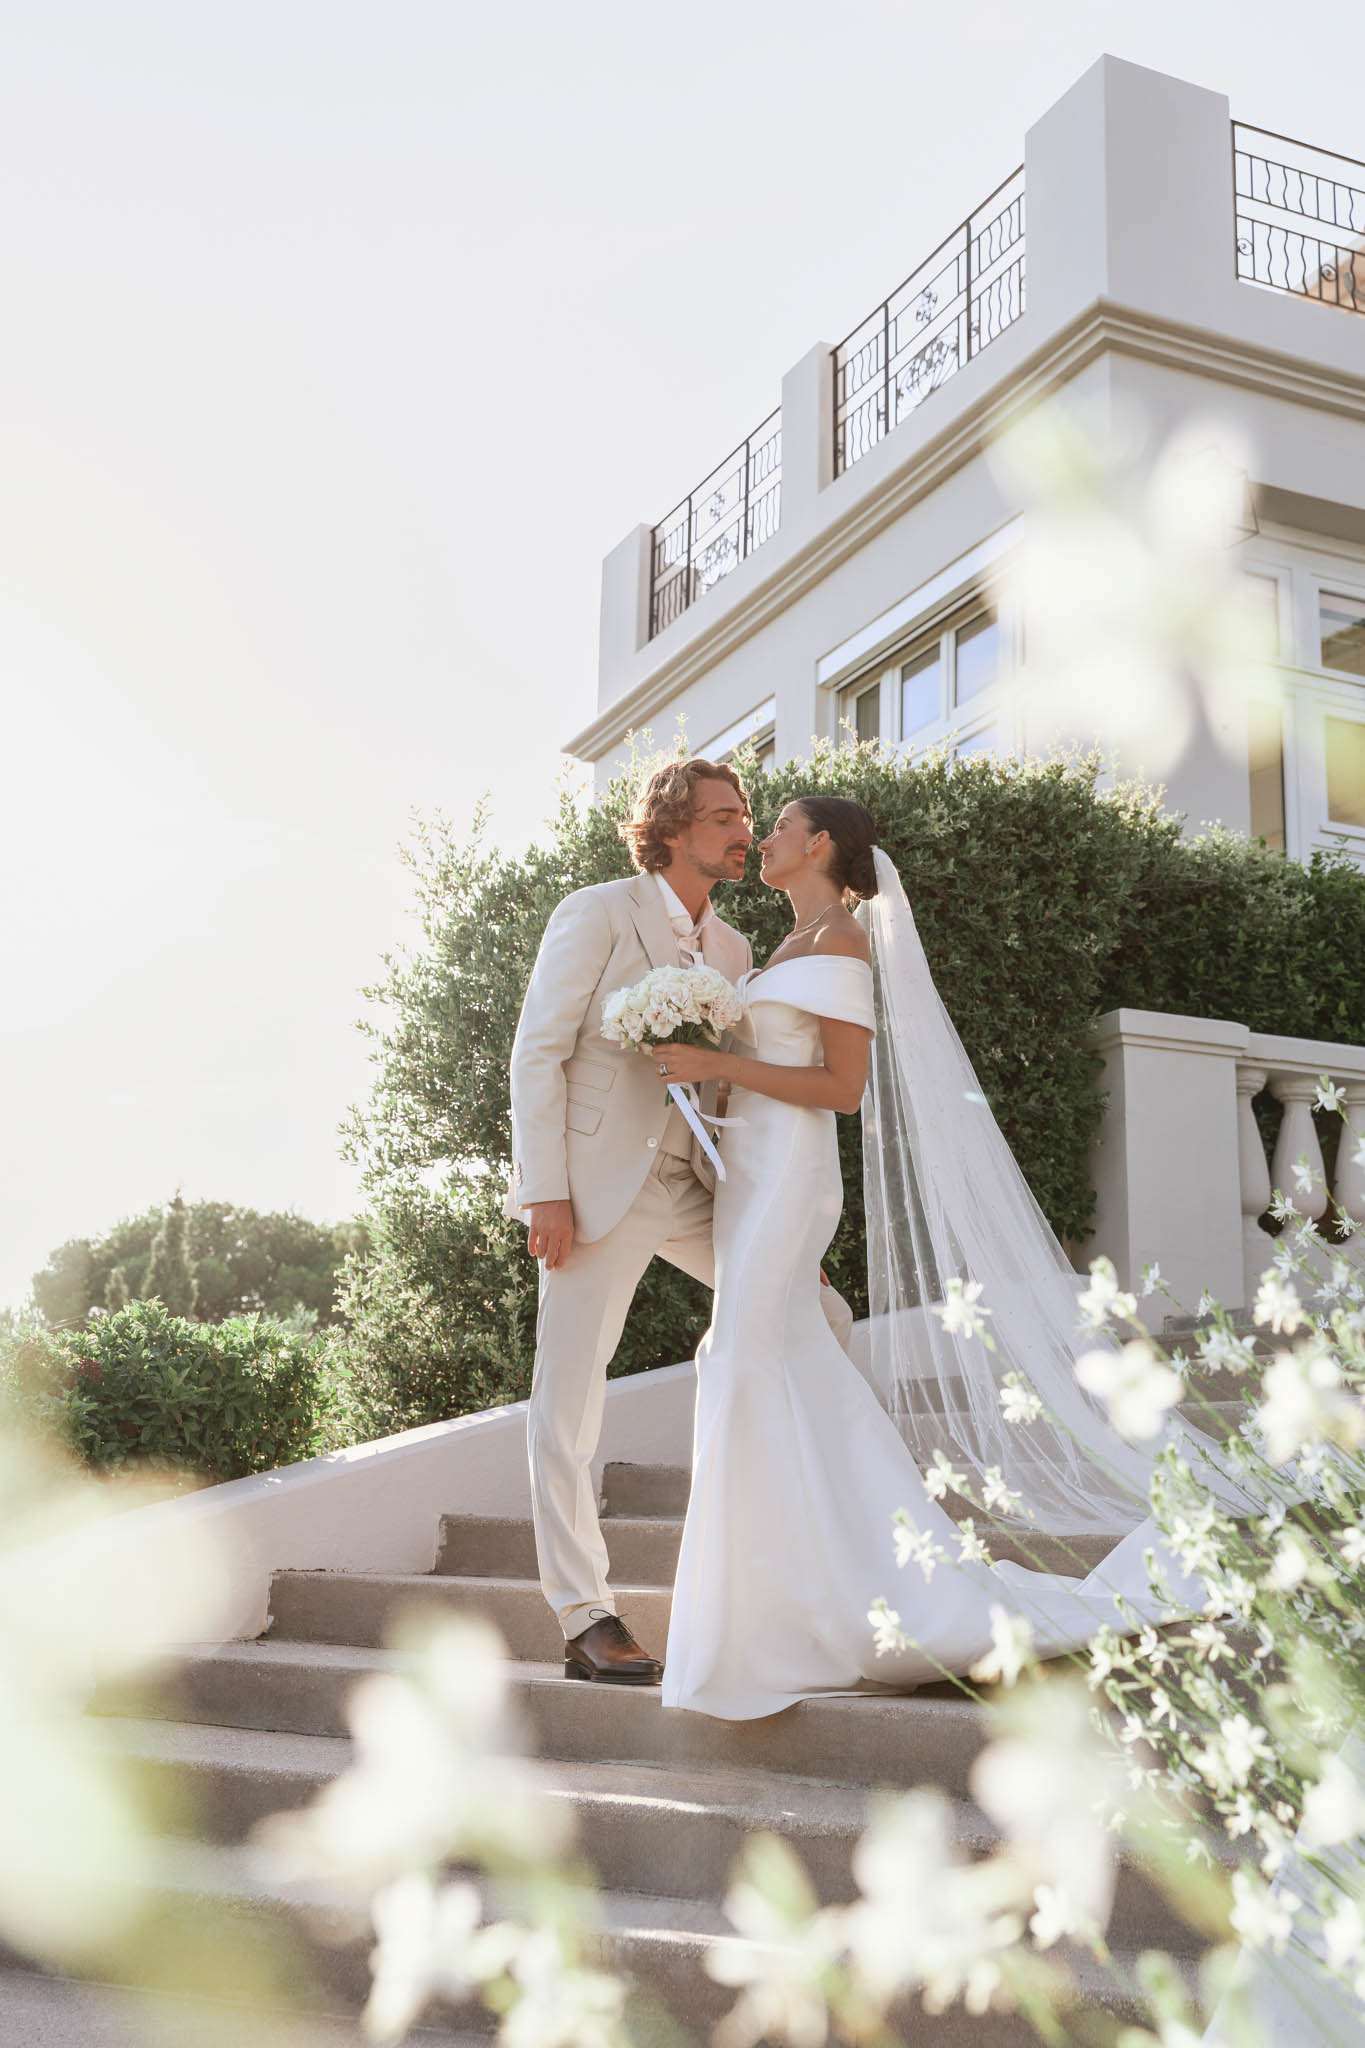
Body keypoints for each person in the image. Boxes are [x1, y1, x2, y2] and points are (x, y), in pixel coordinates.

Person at [650, 795, 1235, 1719]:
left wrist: (718, 1068)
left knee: (742, 1358)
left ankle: (768, 1617)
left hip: (790, 1182)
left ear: (822, 846)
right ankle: (811, 1590)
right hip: (749, 1181)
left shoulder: (840, 941)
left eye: (780, 827)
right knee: (778, 1364)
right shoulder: (786, 947)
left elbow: (842, 1089)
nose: (763, 839)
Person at [505, 760, 856, 1687]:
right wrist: (543, 1190)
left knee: (820, 1317)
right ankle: (584, 1616)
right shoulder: (596, 910)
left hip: (697, 1186)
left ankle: (811, 1559)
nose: (742, 831)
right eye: (723, 817)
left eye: (746, 816)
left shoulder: (736, 949)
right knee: (569, 1398)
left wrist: (776, 1225)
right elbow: (537, 1051)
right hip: (590, 1189)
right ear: (668, 829)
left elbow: (722, 1086)